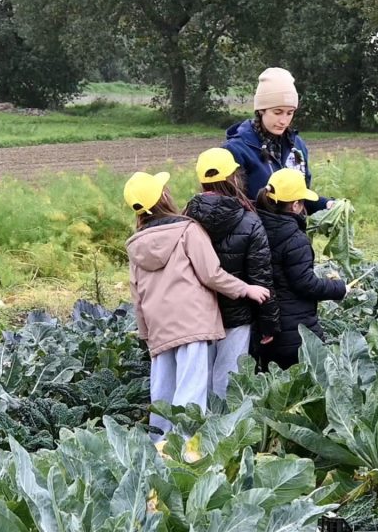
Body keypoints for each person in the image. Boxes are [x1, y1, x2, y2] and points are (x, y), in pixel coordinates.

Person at [123, 171, 269, 439]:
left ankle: (159, 445)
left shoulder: (135, 245)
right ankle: (187, 449)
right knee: (192, 390)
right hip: (193, 321)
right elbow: (211, 273)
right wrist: (245, 289)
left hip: (159, 326)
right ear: (164, 197)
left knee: (163, 391)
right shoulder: (187, 229)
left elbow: (137, 294)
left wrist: (145, 333)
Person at [184, 148, 279, 397]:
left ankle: (197, 432)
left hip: (197, 313)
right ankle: (226, 431)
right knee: (228, 378)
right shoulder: (249, 219)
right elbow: (261, 275)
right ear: (234, 177)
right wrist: (268, 323)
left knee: (198, 380)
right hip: (238, 313)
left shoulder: (185, 217)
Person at [255, 168, 347, 370]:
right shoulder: (295, 239)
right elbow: (305, 284)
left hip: (265, 328)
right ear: (295, 205)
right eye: (303, 202)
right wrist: (339, 288)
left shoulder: (255, 226)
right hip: (295, 332)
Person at [223, 67, 334, 215]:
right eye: (277, 112)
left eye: (290, 113)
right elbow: (232, 207)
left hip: (294, 234)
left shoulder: (298, 146)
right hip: (257, 236)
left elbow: (300, 195)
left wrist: (326, 204)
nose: (283, 120)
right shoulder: (236, 150)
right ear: (261, 110)